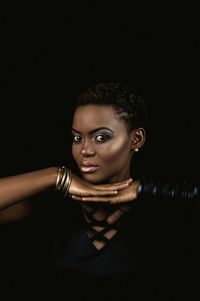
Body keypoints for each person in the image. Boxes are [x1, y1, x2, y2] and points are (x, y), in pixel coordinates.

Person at [0, 82, 199, 300]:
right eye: (77, 138)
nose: (84, 150)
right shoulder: (51, 205)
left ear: (136, 139)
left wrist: (147, 189)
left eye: (101, 137)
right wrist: (55, 176)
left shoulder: (164, 210)